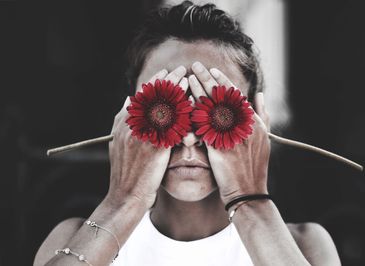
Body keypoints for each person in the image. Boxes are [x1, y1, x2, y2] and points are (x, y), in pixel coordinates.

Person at [34, 1, 341, 265]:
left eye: (218, 107)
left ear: (258, 122)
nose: (190, 137)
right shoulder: (74, 240)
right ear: (126, 118)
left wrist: (250, 202)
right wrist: (123, 202)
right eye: (163, 106)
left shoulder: (305, 246)